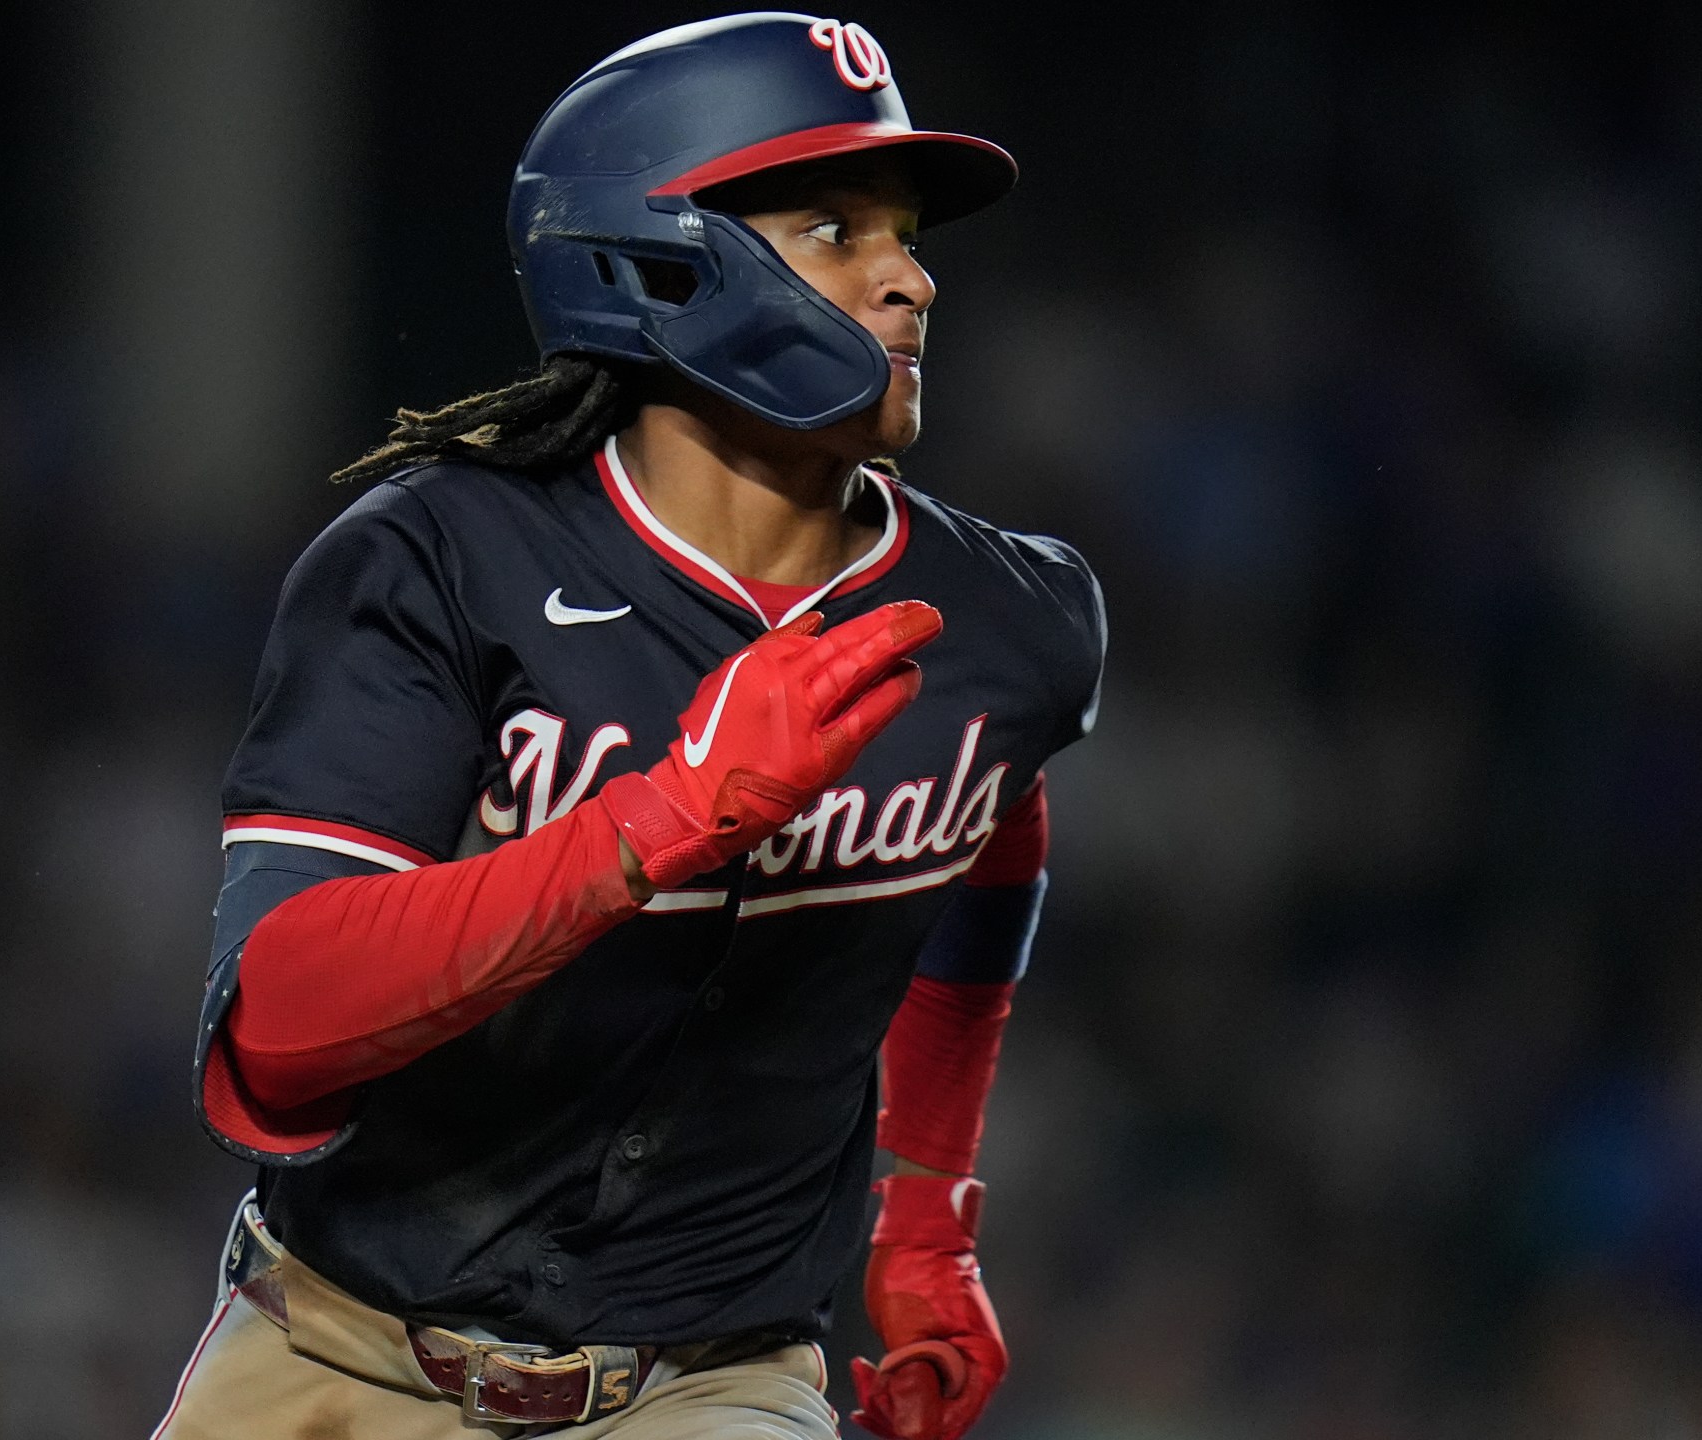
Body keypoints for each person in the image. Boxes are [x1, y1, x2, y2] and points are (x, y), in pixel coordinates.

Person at [155, 14, 1103, 1439]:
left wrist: (925, 1222)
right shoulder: (439, 560)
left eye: (906, 236)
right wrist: (653, 825)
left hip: (712, 1385)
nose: (907, 278)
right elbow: (275, 1028)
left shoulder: (1015, 617)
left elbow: (993, 829)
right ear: (657, 254)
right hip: (340, 1356)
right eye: (833, 226)